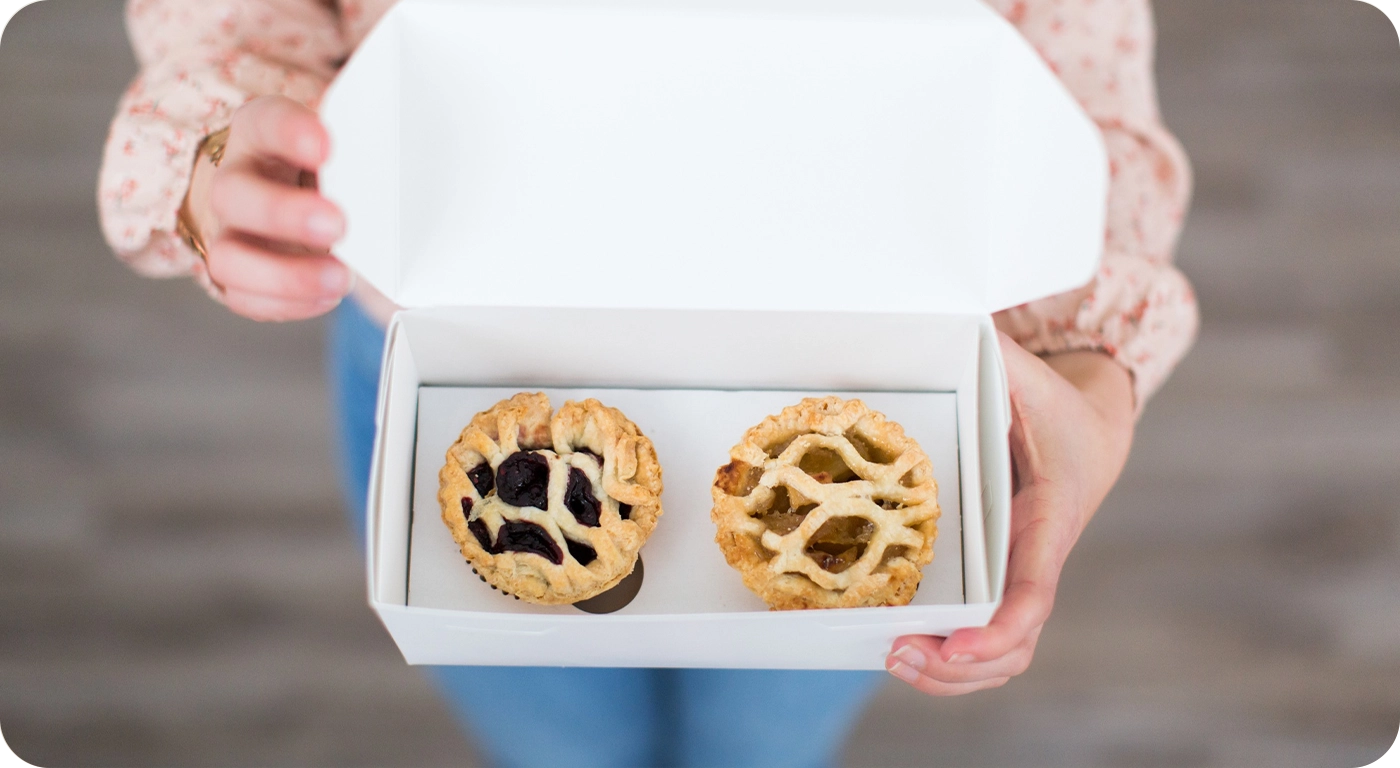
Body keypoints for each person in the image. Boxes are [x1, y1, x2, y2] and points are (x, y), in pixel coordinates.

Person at [97, 0, 1197, 764]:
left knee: (765, 740)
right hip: (443, 335)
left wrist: (1087, 370)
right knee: (553, 738)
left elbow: (1075, 78)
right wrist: (226, 150)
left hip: (860, 363)